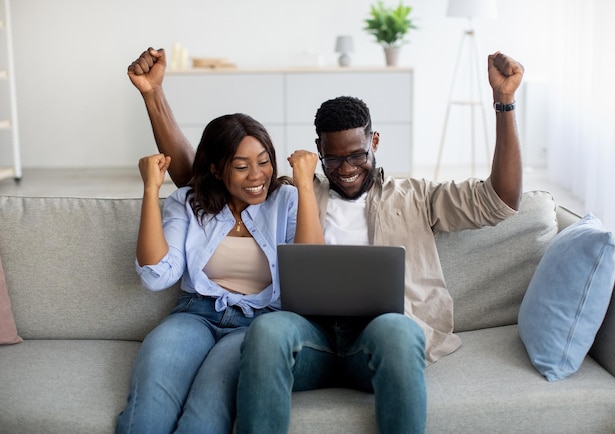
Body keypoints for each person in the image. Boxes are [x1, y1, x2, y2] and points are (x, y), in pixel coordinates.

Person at [128, 47, 524, 433]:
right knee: (267, 331)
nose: (347, 168)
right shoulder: (295, 194)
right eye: (334, 159)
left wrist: (503, 103)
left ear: (375, 143)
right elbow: (202, 179)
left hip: (376, 337)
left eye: (357, 154)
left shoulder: (417, 196)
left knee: (402, 331)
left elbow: (500, 201)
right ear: (318, 152)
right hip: (310, 337)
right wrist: (154, 97)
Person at [117, 52, 323, 434]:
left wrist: (306, 185)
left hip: (256, 325)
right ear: (215, 168)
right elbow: (156, 276)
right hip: (194, 316)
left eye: (264, 161)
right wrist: (150, 189)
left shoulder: (287, 201)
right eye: (242, 167)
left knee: (205, 415)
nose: (258, 175)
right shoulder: (189, 202)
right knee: (148, 412)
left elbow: (311, 276)